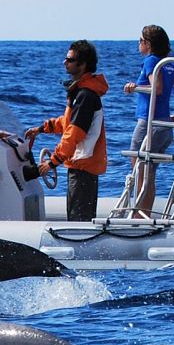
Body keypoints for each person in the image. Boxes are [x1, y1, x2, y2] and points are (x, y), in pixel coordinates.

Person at [25, 39, 109, 222]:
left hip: (83, 166)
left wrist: (53, 162)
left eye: (70, 60)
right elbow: (68, 122)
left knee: (79, 219)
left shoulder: (86, 96)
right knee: (79, 216)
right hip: (81, 165)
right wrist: (42, 129)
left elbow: (74, 133)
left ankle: (81, 249)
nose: (65, 62)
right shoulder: (81, 93)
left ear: (83, 64)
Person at [122, 25, 174, 217]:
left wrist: (134, 87)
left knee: (140, 171)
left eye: (140, 40)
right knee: (149, 173)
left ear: (147, 44)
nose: (138, 44)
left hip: (148, 125)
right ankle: (144, 214)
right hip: (164, 126)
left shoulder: (151, 61)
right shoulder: (168, 64)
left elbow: (157, 88)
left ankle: (138, 216)